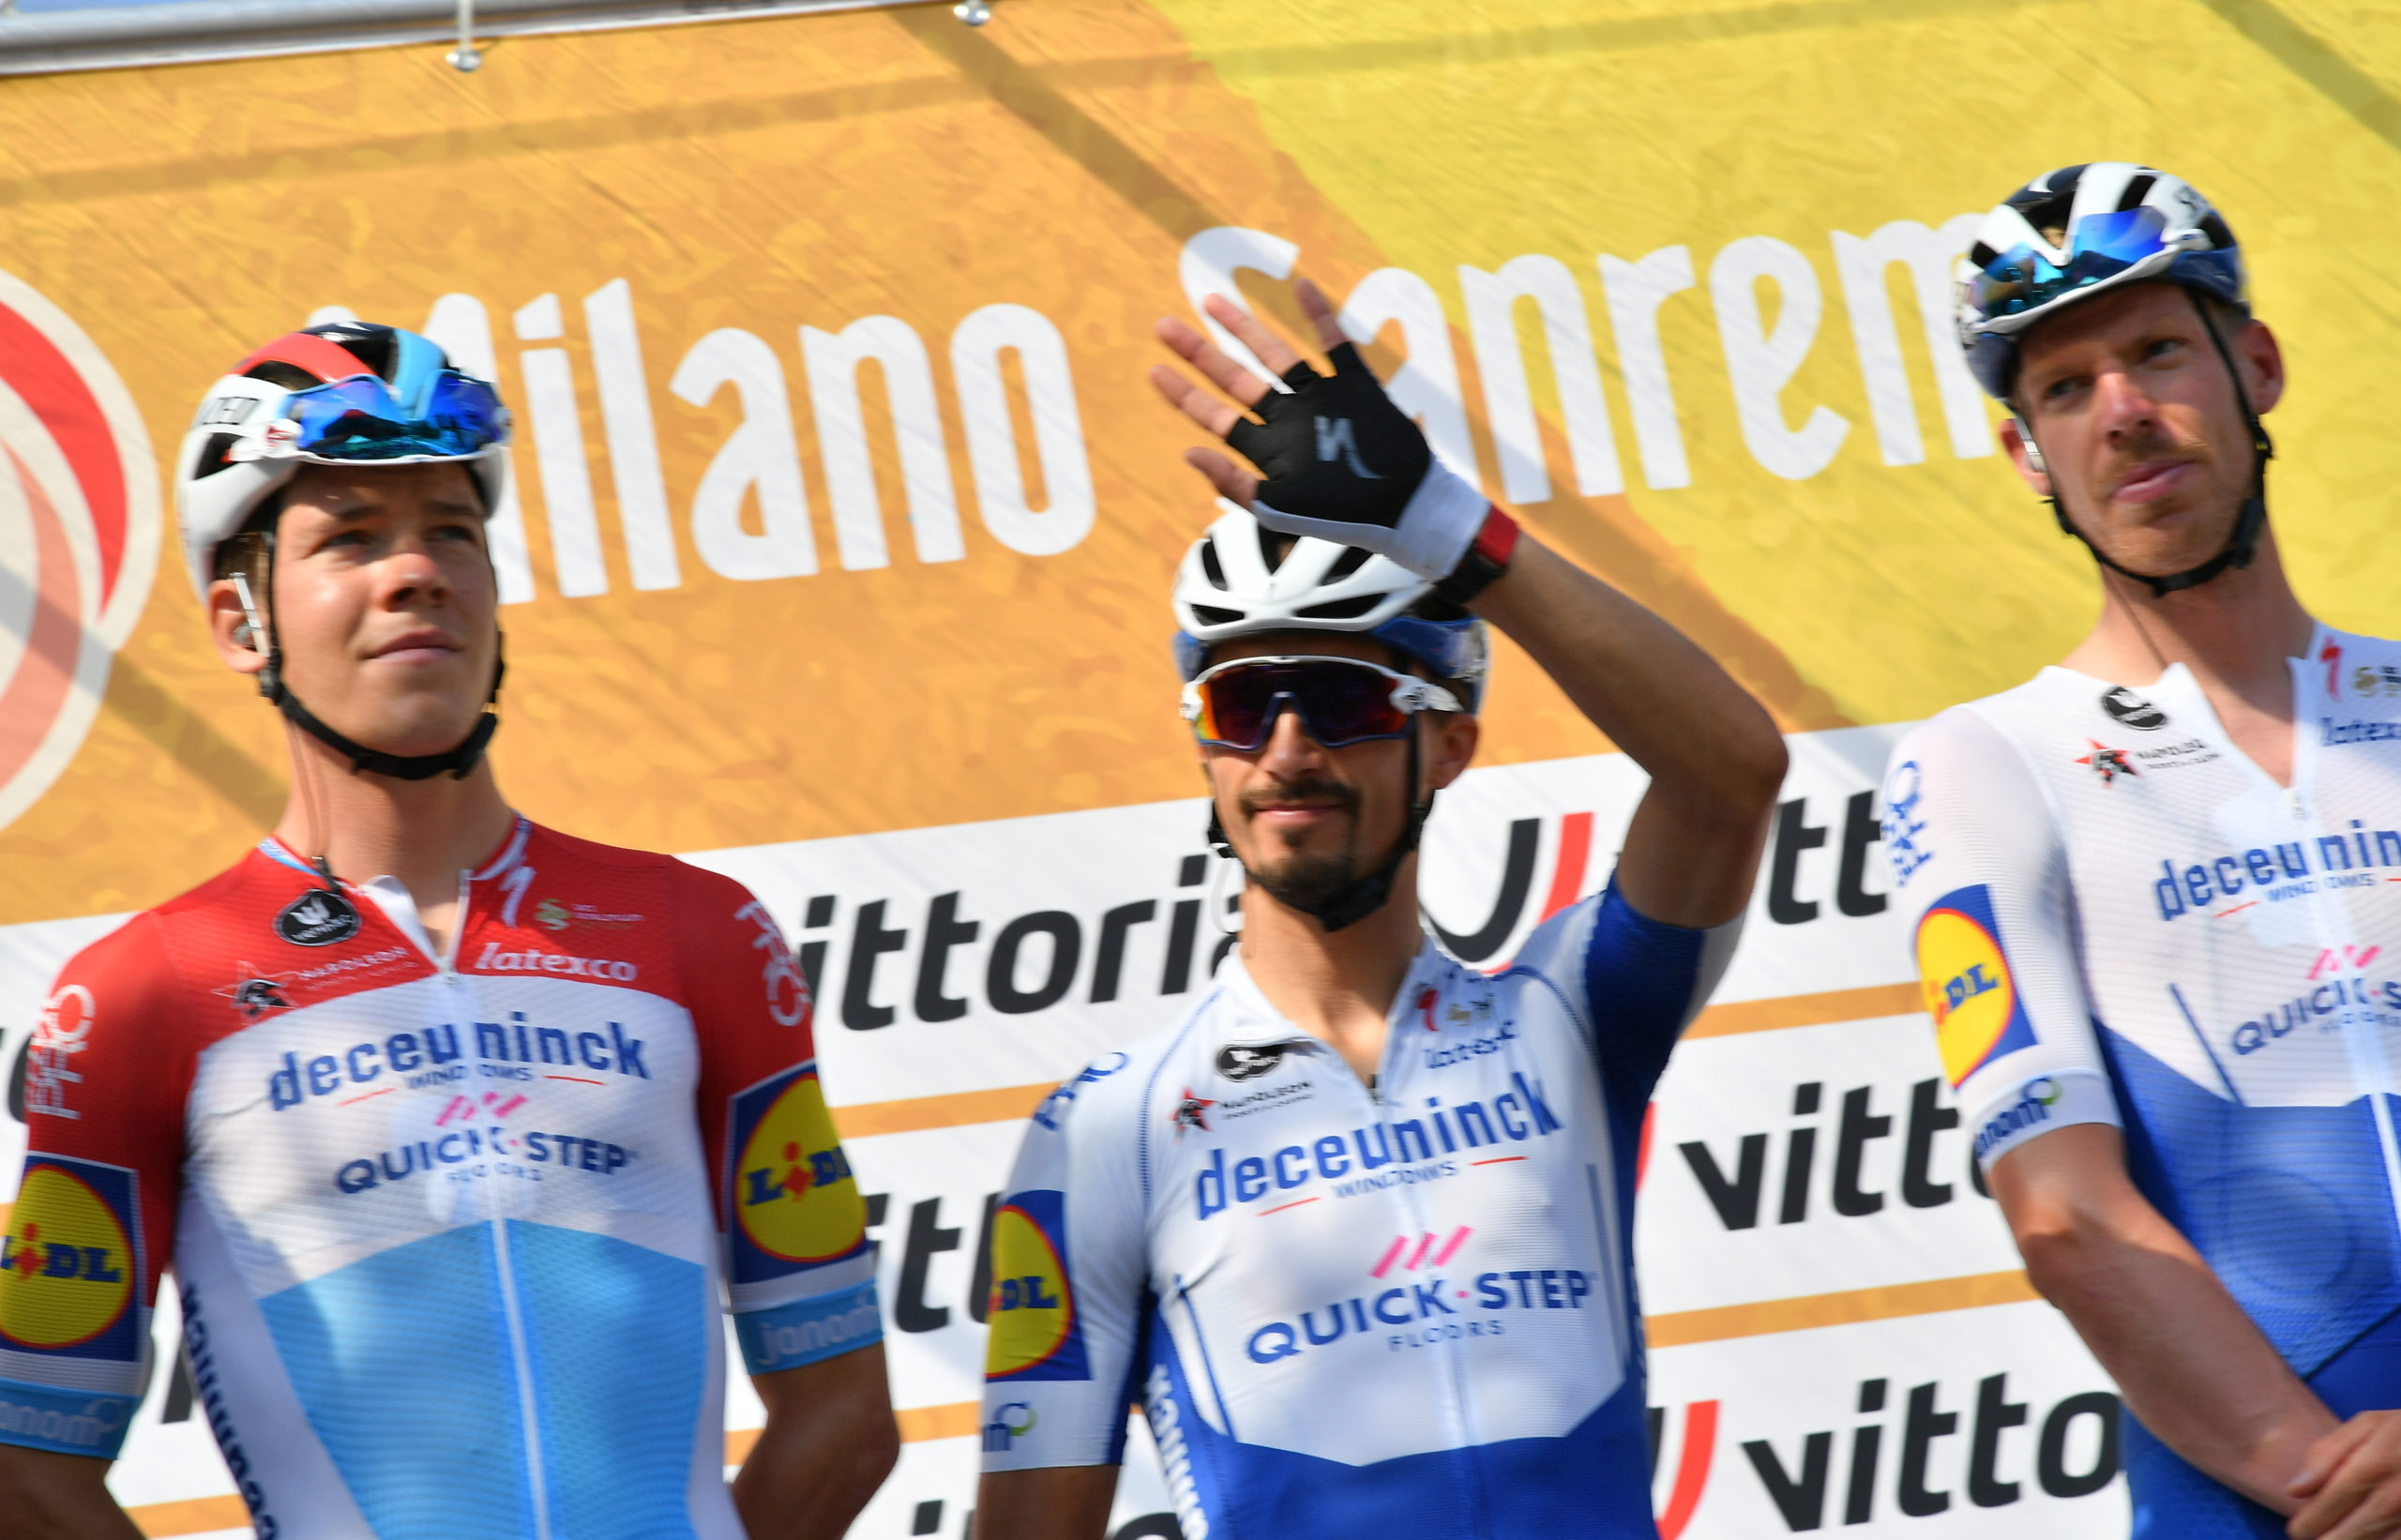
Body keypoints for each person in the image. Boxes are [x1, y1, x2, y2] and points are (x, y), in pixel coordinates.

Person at [0, 323, 896, 1538]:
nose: (415, 570)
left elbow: (844, 1415)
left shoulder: (698, 934)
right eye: (351, 536)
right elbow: (26, 1472)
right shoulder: (145, 994)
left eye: (452, 530)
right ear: (240, 621)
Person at [972, 280, 1787, 1538]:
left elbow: (1731, 772)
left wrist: (1449, 530)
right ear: (1204, 745)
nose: (1288, 750)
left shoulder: (1566, 1019)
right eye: (1243, 705)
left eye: (1344, 702)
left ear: (1450, 742)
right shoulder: (1103, 1134)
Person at [1886, 162, 2401, 1539]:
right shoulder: (1985, 762)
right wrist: (2330, 1482)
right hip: (2278, 1498)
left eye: (2159, 351)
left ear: (2258, 366)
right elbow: (2061, 1211)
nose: (2121, 411)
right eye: (2065, 388)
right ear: (2027, 456)